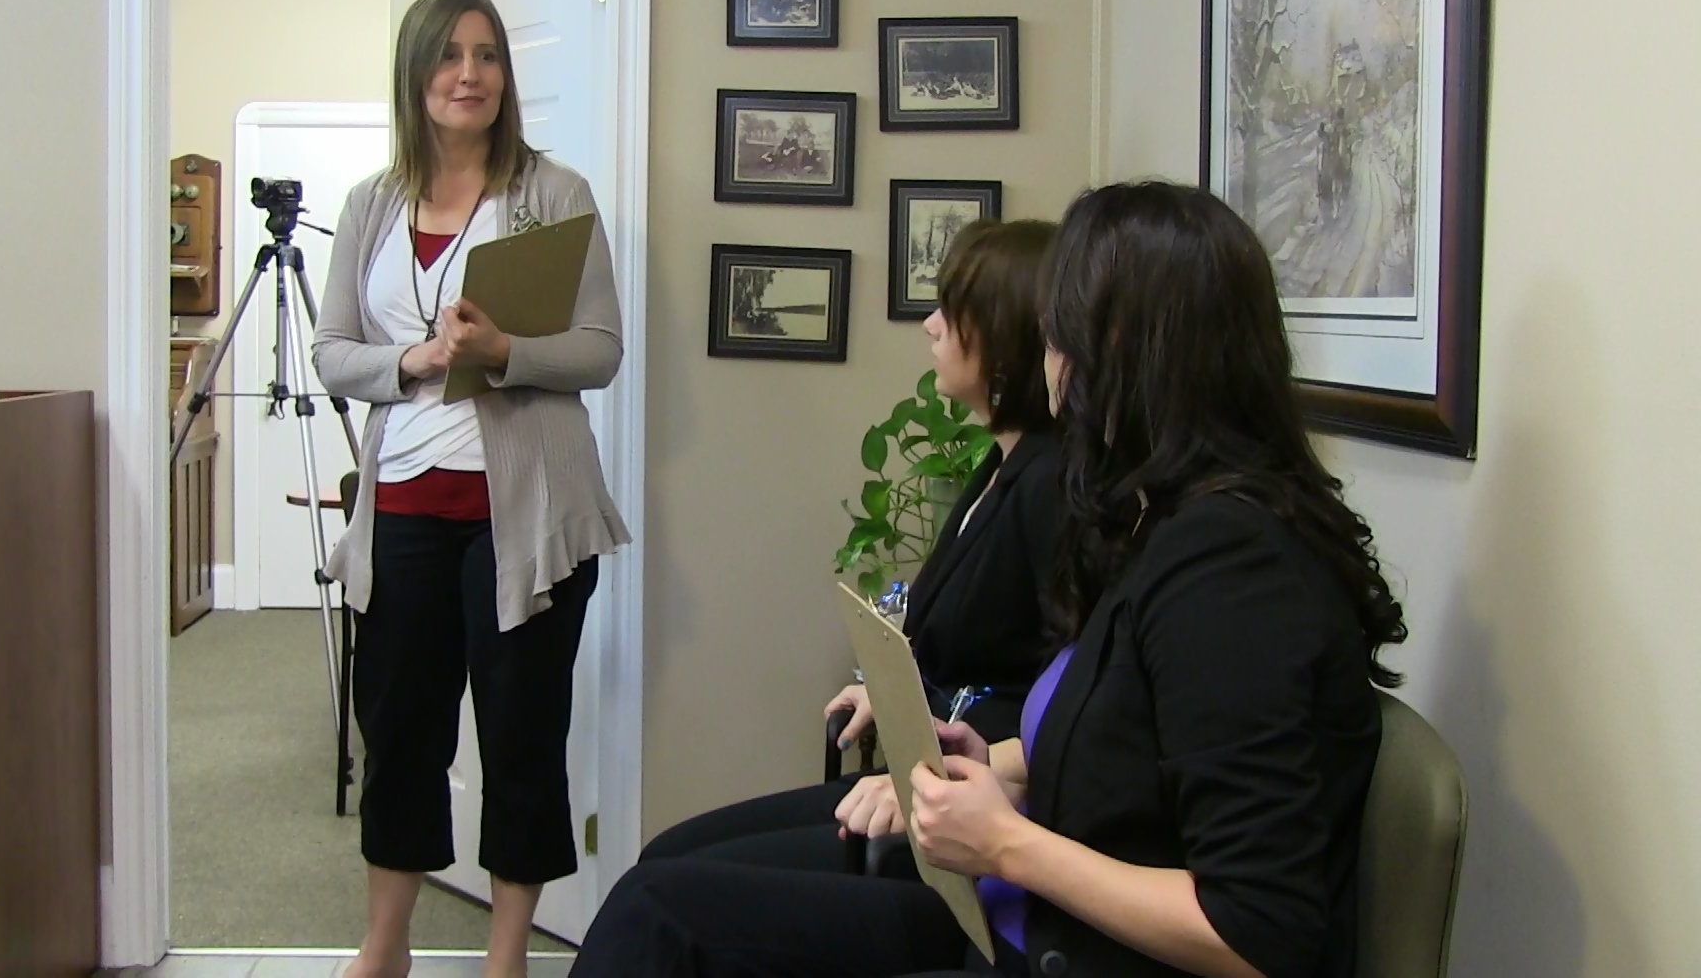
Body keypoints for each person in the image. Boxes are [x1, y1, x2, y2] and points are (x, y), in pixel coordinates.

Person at [567, 181, 1408, 978]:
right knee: (664, 900)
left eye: (1058, 333)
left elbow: (1260, 932)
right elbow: (1151, 760)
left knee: (660, 917)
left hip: (1054, 942)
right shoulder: (1173, 525)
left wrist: (1008, 844)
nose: (1048, 358)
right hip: (1024, 915)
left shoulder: (1234, 573)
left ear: (1121, 355)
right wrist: (1006, 767)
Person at [310, 0, 630, 978]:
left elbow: (600, 349)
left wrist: (502, 351)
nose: (470, 74)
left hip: (520, 521)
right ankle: (386, 941)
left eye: (488, 55)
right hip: (402, 507)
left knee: (522, 742)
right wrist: (406, 364)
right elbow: (331, 352)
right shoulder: (371, 203)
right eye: (449, 55)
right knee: (399, 734)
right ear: (416, 72)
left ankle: (506, 956)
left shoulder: (553, 192)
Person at [639, 219, 1065, 874]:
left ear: (1006, 337)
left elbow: (1060, 694)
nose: (930, 325)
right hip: (932, 773)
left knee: (669, 888)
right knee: (667, 856)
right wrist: (894, 697)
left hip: (971, 804)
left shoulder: (1052, 484)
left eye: (952, 311)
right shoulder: (1002, 464)